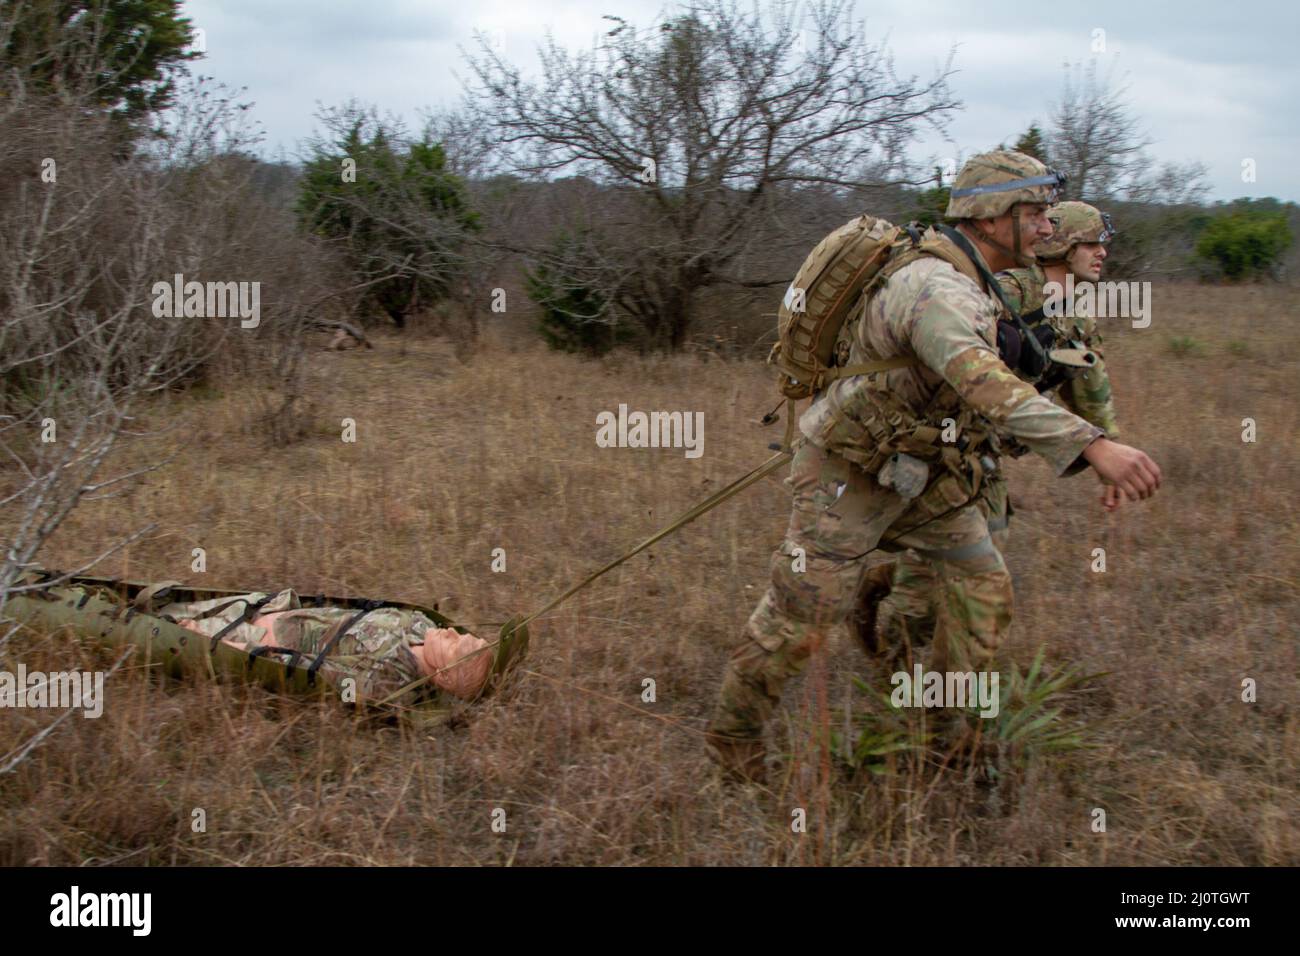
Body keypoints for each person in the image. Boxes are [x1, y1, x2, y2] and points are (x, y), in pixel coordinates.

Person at [706, 151, 1162, 784]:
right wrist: (1094, 447)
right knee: (800, 622)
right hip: (852, 473)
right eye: (1033, 215)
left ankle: (942, 739)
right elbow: (982, 381)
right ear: (993, 217)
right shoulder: (936, 289)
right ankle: (732, 746)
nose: (1046, 229)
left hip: (928, 475)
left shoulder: (990, 279)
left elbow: (1057, 358)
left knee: (983, 590)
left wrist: (1096, 422)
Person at [861, 200, 1124, 664]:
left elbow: (1089, 385)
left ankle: (911, 671)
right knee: (927, 589)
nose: (1101, 253)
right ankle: (893, 663)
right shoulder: (1004, 293)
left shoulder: (1077, 317)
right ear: (1063, 246)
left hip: (985, 455)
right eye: (1090, 243)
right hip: (941, 446)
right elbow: (954, 360)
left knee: (978, 559)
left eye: (1101, 244)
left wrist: (1105, 448)